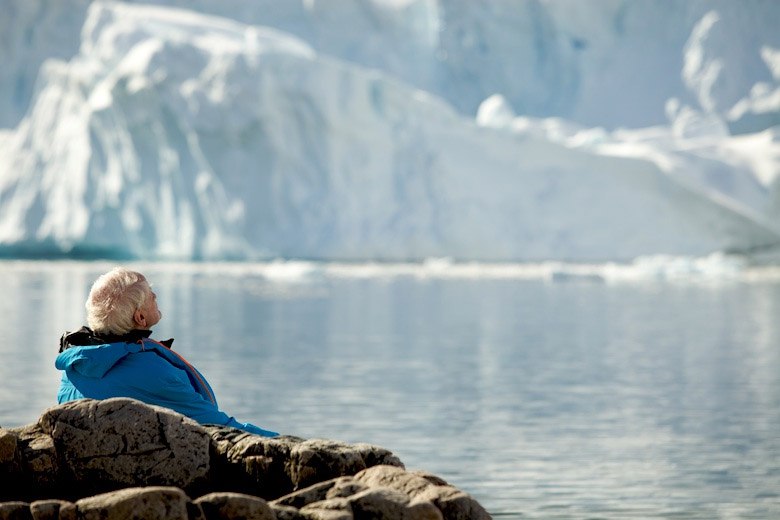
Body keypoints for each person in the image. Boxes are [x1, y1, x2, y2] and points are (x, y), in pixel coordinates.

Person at [55, 267, 278, 437]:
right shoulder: (152, 372)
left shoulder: (74, 367)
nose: (155, 296)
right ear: (140, 318)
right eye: (151, 293)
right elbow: (220, 427)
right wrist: (286, 441)